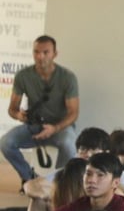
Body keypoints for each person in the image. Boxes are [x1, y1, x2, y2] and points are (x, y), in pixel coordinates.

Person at [1, 36, 79, 183]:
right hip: (34, 127)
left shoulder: (67, 77)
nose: (40, 56)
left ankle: (57, 183)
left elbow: (73, 112)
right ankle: (29, 178)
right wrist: (19, 115)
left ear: (55, 54)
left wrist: (55, 128)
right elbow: (12, 109)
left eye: (45, 52)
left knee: (69, 145)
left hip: (60, 128)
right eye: (36, 52)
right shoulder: (23, 76)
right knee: (6, 143)